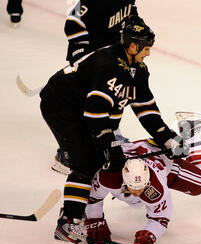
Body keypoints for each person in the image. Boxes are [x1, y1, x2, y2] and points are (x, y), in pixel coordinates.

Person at [41, 16, 190, 244]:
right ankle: (67, 225)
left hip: (84, 111)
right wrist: (111, 147)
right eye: (146, 47)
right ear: (132, 46)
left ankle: (75, 210)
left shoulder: (137, 70)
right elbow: (95, 115)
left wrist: (168, 139)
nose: (149, 53)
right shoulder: (107, 65)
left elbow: (147, 110)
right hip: (61, 106)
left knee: (99, 160)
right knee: (86, 163)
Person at [81, 116, 201, 244]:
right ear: (124, 179)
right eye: (133, 187)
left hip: (164, 165)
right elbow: (93, 197)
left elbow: (161, 218)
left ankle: (190, 131)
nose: (138, 192)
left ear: (148, 180)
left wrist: (148, 237)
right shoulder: (109, 176)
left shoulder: (156, 186)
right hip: (127, 152)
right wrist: (94, 219)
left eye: (142, 187)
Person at [53, 0, 142, 175]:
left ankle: (111, 134)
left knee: (116, 93)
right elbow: (74, 20)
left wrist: (138, 26)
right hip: (92, 57)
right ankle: (68, 154)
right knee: (87, 103)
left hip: (112, 53)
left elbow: (130, 11)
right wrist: (83, 54)